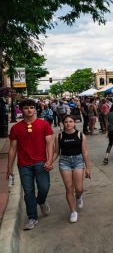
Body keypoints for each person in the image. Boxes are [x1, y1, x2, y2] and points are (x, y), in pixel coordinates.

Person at [6, 99, 54, 230]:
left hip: (41, 162)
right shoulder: (16, 128)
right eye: (26, 108)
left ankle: (41, 201)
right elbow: (12, 148)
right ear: (21, 110)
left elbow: (50, 143)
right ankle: (32, 217)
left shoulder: (43, 124)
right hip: (24, 165)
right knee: (28, 192)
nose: (29, 110)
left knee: (44, 187)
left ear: (35, 109)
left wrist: (49, 160)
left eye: (32, 107)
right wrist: (9, 167)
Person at [52, 116, 91, 223]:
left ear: (74, 123)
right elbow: (56, 152)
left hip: (78, 161)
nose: (68, 124)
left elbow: (85, 152)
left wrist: (88, 167)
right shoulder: (59, 136)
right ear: (63, 124)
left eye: (70, 121)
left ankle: (79, 197)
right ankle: (73, 211)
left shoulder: (80, 135)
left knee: (79, 189)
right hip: (64, 162)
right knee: (69, 188)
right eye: (66, 122)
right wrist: (49, 161)